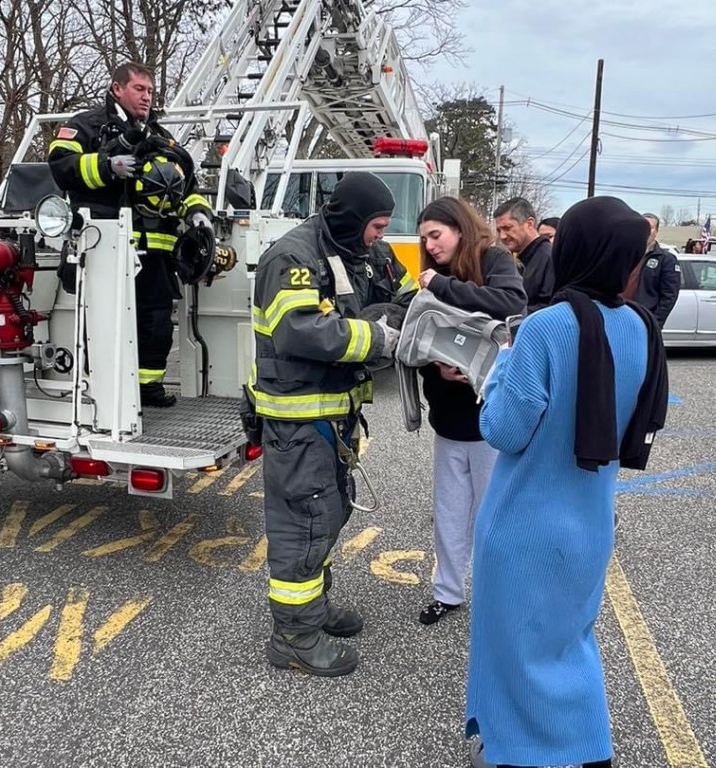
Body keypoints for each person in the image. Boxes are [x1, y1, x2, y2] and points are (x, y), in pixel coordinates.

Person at [466, 196, 668, 768]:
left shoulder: (546, 327)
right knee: (571, 642)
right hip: (590, 522)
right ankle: (588, 747)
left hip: (522, 524)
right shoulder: (642, 327)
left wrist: (500, 365)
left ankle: (515, 751)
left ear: (571, 249)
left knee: (514, 648)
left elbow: (503, 429)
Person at [248, 172, 417, 677]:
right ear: (352, 218)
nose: (382, 235)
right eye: (377, 226)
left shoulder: (368, 252)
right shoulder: (292, 257)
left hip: (336, 415)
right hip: (298, 420)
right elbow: (300, 332)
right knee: (303, 522)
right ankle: (294, 638)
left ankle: (314, 611)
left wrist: (401, 318)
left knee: (328, 513)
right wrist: (379, 338)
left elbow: (410, 298)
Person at [48, 61, 213, 408]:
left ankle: (147, 389)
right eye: (139, 89)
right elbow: (61, 167)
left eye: (150, 91)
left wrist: (198, 214)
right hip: (102, 248)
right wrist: (108, 166)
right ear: (117, 88)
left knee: (156, 324)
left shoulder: (160, 137)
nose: (147, 97)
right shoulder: (85, 126)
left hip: (156, 252)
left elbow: (185, 185)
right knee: (103, 322)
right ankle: (102, 393)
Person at [416, 197, 527, 626]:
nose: (430, 246)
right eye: (425, 239)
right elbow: (418, 335)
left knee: (491, 513)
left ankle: (497, 597)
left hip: (488, 419)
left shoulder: (492, 259)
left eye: (436, 235)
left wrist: (441, 287)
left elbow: (510, 302)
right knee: (448, 512)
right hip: (448, 417)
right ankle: (447, 591)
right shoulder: (432, 273)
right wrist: (437, 367)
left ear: (460, 228)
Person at [493, 198, 554, 312]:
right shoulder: (515, 257)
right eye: (499, 230)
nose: (502, 236)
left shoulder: (549, 258)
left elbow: (550, 307)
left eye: (507, 228)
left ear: (529, 224)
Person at [622, 213, 682, 327]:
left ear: (656, 231)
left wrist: (655, 323)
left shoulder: (665, 259)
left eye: (650, 227)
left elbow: (669, 296)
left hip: (643, 319)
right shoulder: (624, 254)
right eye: (641, 227)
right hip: (619, 315)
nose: (645, 231)